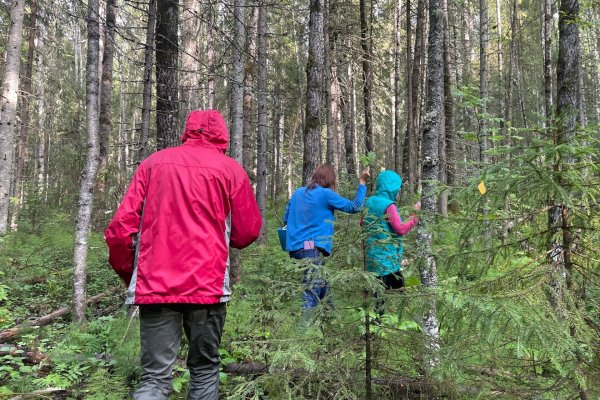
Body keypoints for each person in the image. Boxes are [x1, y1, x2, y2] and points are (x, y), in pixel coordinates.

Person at [105, 110, 261, 400]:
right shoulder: (229, 169)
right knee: (204, 370)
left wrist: (132, 275)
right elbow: (247, 231)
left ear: (188, 130)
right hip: (208, 287)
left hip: (155, 286)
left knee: (153, 380)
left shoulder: (153, 164)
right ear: (222, 134)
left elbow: (119, 230)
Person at [283, 164, 369, 309]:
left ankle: (331, 320)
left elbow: (286, 218)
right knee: (311, 291)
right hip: (310, 247)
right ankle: (304, 330)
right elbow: (355, 207)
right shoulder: (325, 194)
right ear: (330, 180)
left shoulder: (298, 193)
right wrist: (362, 182)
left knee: (323, 286)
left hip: (295, 247)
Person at [362, 170, 420, 314]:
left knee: (394, 285)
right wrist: (415, 216)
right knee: (382, 295)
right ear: (391, 188)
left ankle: (400, 314)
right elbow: (400, 229)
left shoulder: (369, 201)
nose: (398, 192)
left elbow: (362, 222)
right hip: (386, 258)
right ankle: (380, 326)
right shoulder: (389, 205)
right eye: (397, 188)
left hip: (372, 256)